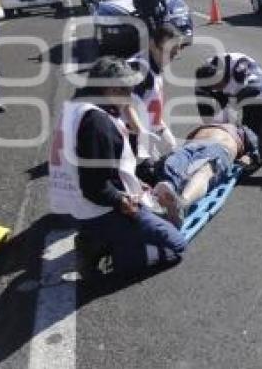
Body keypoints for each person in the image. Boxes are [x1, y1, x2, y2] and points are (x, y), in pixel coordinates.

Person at [48, 56, 186, 278]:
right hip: (95, 208)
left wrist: (132, 182)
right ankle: (106, 250)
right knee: (176, 245)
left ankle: (98, 236)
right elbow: (94, 187)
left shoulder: (76, 106)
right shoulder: (98, 122)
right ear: (111, 88)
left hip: (71, 203)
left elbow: (98, 168)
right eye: (127, 90)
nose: (131, 96)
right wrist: (123, 202)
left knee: (153, 219)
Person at [153, 122, 259, 226]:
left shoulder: (243, 130)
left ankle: (182, 204)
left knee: (207, 168)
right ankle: (168, 190)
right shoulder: (207, 124)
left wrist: (250, 157)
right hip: (191, 146)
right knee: (172, 163)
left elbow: (260, 150)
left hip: (220, 148)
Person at [125, 24, 182, 161]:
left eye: (176, 51)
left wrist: (160, 127)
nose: (173, 56)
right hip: (133, 136)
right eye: (169, 51)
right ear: (152, 45)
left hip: (153, 129)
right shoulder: (139, 70)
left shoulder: (155, 65)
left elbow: (149, 103)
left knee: (173, 153)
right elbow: (126, 105)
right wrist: (141, 134)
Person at [194, 52, 262, 133]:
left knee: (254, 117)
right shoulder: (208, 70)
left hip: (253, 90)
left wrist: (227, 114)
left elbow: (233, 106)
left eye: (218, 85)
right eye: (214, 87)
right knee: (203, 98)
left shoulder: (241, 76)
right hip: (233, 83)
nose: (217, 88)